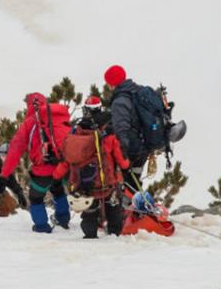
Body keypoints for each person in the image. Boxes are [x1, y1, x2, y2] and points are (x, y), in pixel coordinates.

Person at [56, 96, 130, 238]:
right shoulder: (108, 133)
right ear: (100, 108)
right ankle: (114, 235)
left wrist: (56, 175)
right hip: (106, 182)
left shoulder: (76, 132)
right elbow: (122, 161)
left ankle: (90, 237)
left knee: (89, 213)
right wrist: (126, 164)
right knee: (113, 209)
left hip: (84, 184)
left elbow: (67, 159)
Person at [0, 93, 72, 233]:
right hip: (63, 165)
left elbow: (15, 150)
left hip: (43, 169)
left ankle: (41, 226)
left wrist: (5, 174)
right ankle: (63, 218)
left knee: (36, 197)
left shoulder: (28, 124)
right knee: (58, 189)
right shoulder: (58, 118)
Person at [103, 65, 150, 230]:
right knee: (135, 180)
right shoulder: (137, 91)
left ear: (112, 83)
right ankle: (140, 212)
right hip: (144, 146)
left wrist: (121, 151)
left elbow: (121, 128)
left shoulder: (120, 101)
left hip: (131, 148)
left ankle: (132, 216)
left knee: (127, 183)